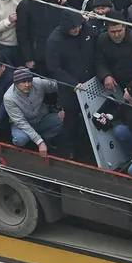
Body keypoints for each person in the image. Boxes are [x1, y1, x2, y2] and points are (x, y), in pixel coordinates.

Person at [44, 11, 97, 160]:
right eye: (73, 28)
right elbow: (54, 68)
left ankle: (91, 150)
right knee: (71, 120)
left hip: (91, 82)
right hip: (70, 88)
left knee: (94, 117)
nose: (77, 30)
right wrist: (72, 83)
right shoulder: (54, 41)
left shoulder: (86, 29)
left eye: (79, 26)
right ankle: (68, 152)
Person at [4, 67, 64, 156]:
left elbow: (60, 86)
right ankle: (29, 147)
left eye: (29, 81)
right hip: (22, 125)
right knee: (20, 139)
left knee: (65, 120)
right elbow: (21, 122)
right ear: (16, 83)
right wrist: (39, 142)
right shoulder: (9, 98)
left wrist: (64, 107)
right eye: (23, 82)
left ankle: (46, 138)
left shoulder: (38, 83)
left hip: (42, 118)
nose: (27, 85)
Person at [15, 0, 65, 72]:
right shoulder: (25, 5)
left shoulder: (58, 1)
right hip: (37, 56)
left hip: (57, 53)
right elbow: (22, 34)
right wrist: (28, 58)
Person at [94, 10, 132, 95]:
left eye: (119, 31)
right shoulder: (102, 40)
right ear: (107, 29)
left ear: (124, 27)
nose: (116, 35)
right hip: (114, 86)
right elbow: (99, 60)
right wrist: (105, 75)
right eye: (112, 32)